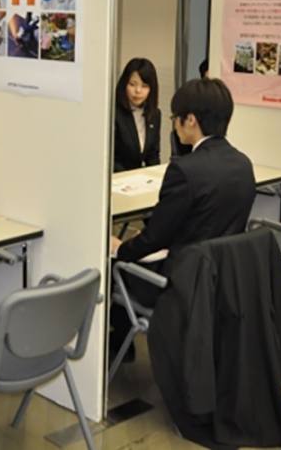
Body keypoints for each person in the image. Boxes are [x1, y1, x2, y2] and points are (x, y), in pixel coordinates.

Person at [109, 78, 255, 358]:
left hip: (180, 283)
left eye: (176, 117)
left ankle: (119, 350)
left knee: (113, 262)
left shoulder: (184, 170)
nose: (174, 125)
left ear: (190, 120)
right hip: (223, 279)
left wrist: (120, 248)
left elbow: (155, 239)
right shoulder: (243, 164)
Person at [113, 58, 161, 172]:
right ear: (124, 84)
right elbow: (111, 157)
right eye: (132, 84)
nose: (138, 91)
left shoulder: (155, 114)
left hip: (142, 178)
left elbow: (153, 155)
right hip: (118, 176)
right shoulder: (114, 113)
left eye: (144, 86)